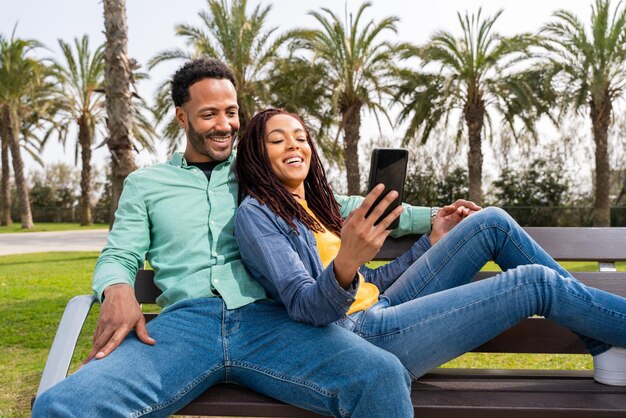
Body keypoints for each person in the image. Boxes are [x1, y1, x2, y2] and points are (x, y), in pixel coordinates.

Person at [32, 59, 423, 418]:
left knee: (381, 375)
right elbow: (119, 252)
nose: (225, 124)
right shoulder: (145, 185)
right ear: (181, 117)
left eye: (232, 112)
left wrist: (438, 216)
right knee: (59, 406)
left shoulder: (258, 171)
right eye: (209, 114)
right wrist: (117, 288)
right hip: (182, 330)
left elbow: (342, 204)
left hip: (270, 324)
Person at [234, 108, 626, 386]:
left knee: (490, 221)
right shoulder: (257, 215)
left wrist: (432, 241)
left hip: (383, 308)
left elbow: (371, 282)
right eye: (277, 139)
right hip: (359, 339)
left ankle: (604, 345)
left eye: (301, 137)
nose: (295, 145)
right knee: (535, 283)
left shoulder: (317, 208)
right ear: (256, 153)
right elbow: (305, 306)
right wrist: (346, 262)